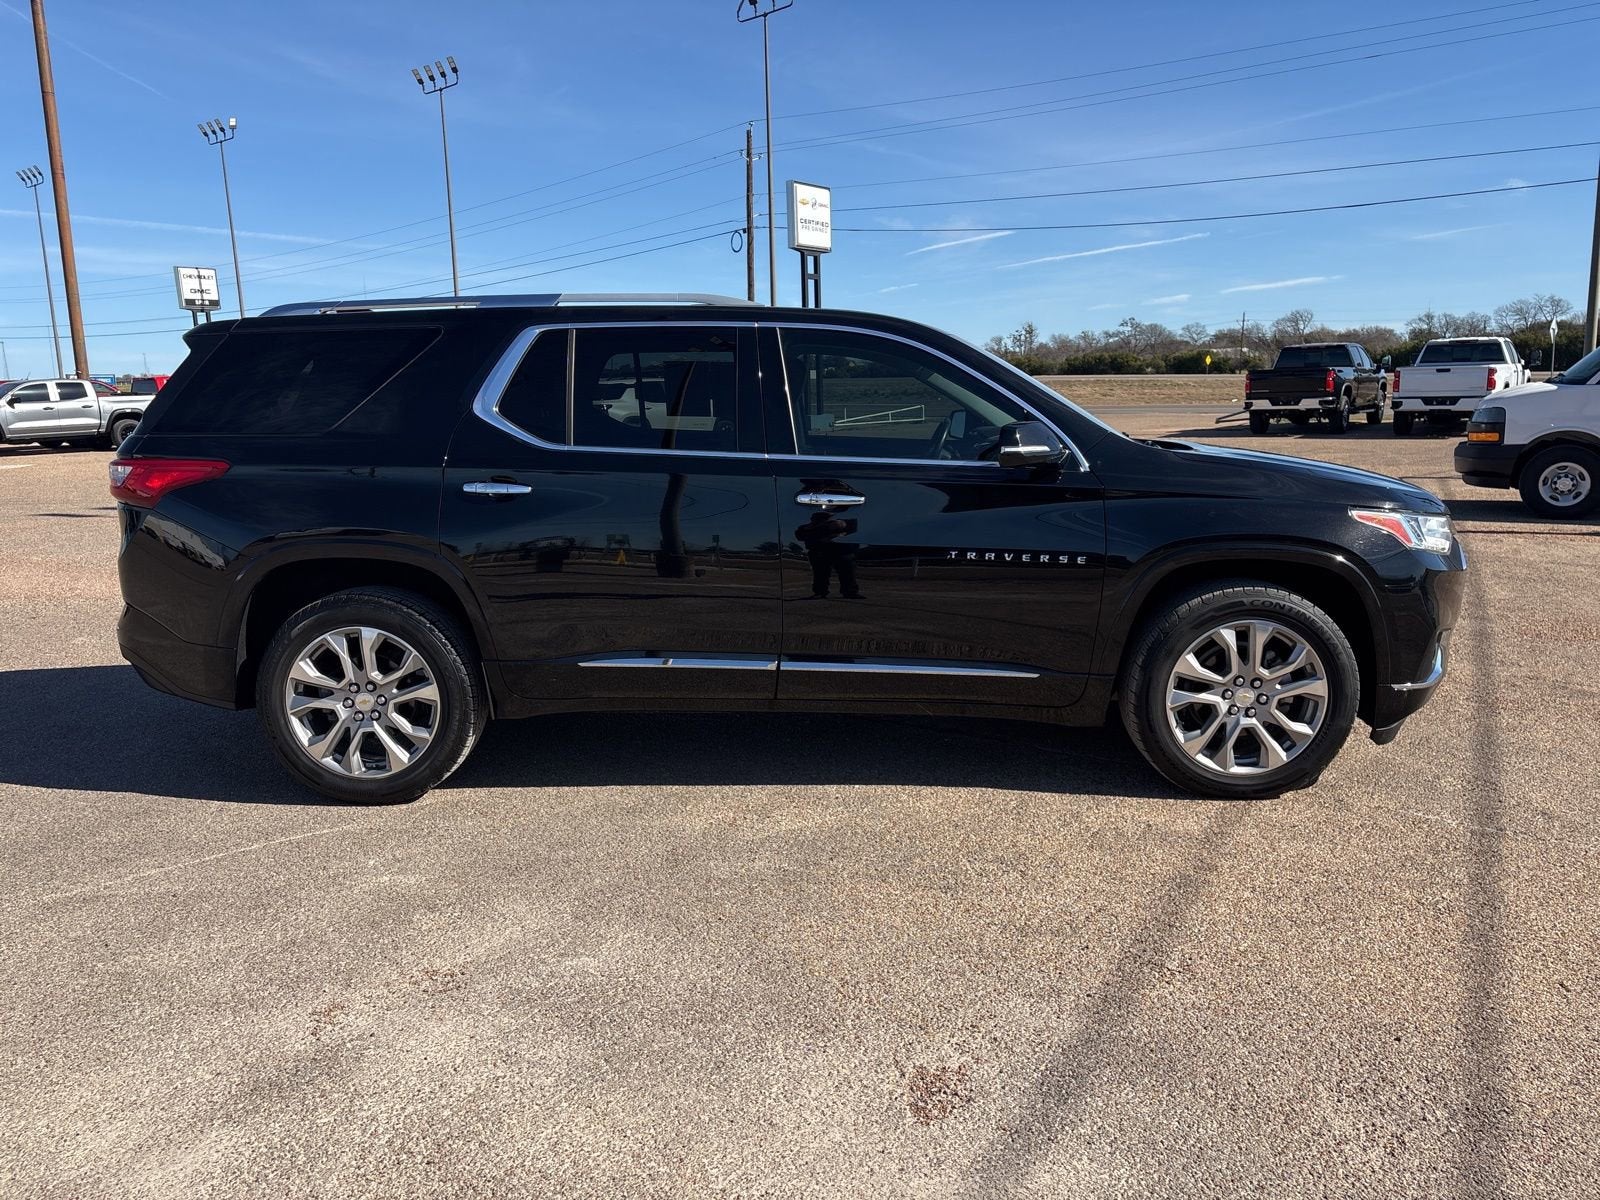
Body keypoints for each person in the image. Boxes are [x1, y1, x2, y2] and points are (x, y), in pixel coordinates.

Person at [794, 510, 862, 599]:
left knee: (846, 572)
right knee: (820, 573)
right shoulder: (806, 528)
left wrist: (841, 526)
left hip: (840, 551)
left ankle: (850, 591)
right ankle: (820, 592)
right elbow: (800, 535)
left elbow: (854, 527)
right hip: (819, 552)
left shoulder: (841, 523)